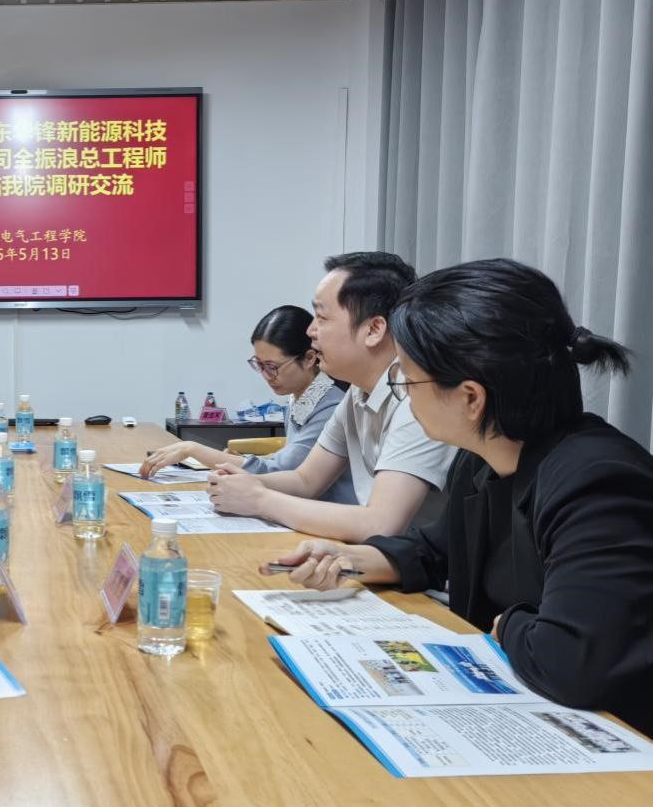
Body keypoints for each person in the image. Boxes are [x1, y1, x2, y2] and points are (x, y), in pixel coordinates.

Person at [263, 258, 653, 734]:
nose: (403, 392)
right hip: (519, 707)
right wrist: (348, 559)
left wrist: (509, 623)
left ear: (471, 397)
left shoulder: (597, 481)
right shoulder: (482, 461)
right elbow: (434, 550)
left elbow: (569, 661)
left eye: (407, 378)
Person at [207, 252, 454, 540]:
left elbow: (381, 524)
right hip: (373, 553)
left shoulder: (418, 396)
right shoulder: (358, 392)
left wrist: (259, 499)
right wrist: (245, 483)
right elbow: (306, 480)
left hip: (416, 564)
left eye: (322, 317)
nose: (311, 331)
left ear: (374, 329)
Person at [141, 305, 356, 503]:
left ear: (309, 358)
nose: (266, 376)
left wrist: (193, 449)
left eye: (272, 367)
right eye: (259, 365)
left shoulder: (331, 406)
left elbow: (283, 472)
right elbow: (287, 461)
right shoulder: (302, 396)